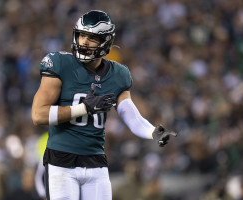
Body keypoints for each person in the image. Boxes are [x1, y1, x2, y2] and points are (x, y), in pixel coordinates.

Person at [31, 10, 177, 200]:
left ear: (105, 41)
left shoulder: (118, 74)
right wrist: (83, 108)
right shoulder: (60, 63)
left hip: (95, 162)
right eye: (81, 35)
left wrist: (151, 132)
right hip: (61, 160)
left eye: (91, 38)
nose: (83, 41)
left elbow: (128, 112)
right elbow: (38, 115)